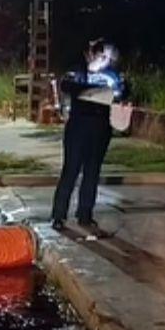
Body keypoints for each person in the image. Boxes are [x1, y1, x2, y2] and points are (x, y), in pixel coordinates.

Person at [51, 39, 127, 238]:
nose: (102, 60)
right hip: (77, 128)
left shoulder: (111, 75)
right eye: (98, 55)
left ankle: (85, 214)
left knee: (92, 172)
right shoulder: (77, 72)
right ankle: (59, 215)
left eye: (105, 56)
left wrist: (114, 91)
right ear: (89, 54)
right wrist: (90, 91)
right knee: (71, 171)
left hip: (100, 129)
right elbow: (66, 86)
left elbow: (122, 93)